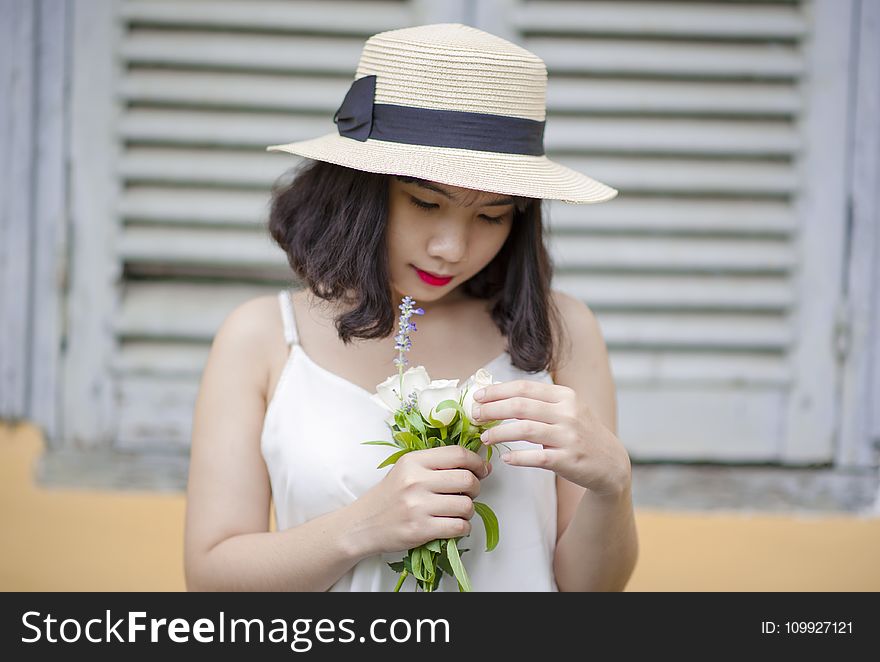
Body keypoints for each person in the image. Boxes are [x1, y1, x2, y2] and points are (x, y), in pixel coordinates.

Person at [184, 23, 638, 592]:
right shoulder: (262, 338)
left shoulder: (561, 331)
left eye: (492, 215)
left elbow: (590, 592)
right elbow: (210, 581)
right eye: (426, 203)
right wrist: (364, 526)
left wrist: (612, 483)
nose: (451, 248)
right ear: (361, 189)